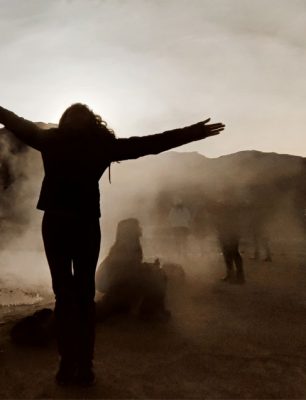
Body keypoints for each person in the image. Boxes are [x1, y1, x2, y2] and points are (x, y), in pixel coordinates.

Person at [0, 103, 224, 385]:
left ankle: (67, 365)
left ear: (65, 121)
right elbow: (151, 144)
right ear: (94, 122)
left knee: (65, 296)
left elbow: (14, 120)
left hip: (56, 224)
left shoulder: (51, 140)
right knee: (83, 297)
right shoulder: (101, 146)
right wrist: (193, 132)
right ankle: (85, 367)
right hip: (85, 225)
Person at [96, 218, 169, 321]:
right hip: (115, 283)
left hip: (118, 281)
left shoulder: (127, 245)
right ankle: (150, 310)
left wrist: (149, 267)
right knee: (158, 276)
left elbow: (132, 266)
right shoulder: (125, 247)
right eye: (137, 226)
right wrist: (150, 268)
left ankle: (148, 308)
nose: (140, 228)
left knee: (154, 274)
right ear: (131, 230)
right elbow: (128, 269)